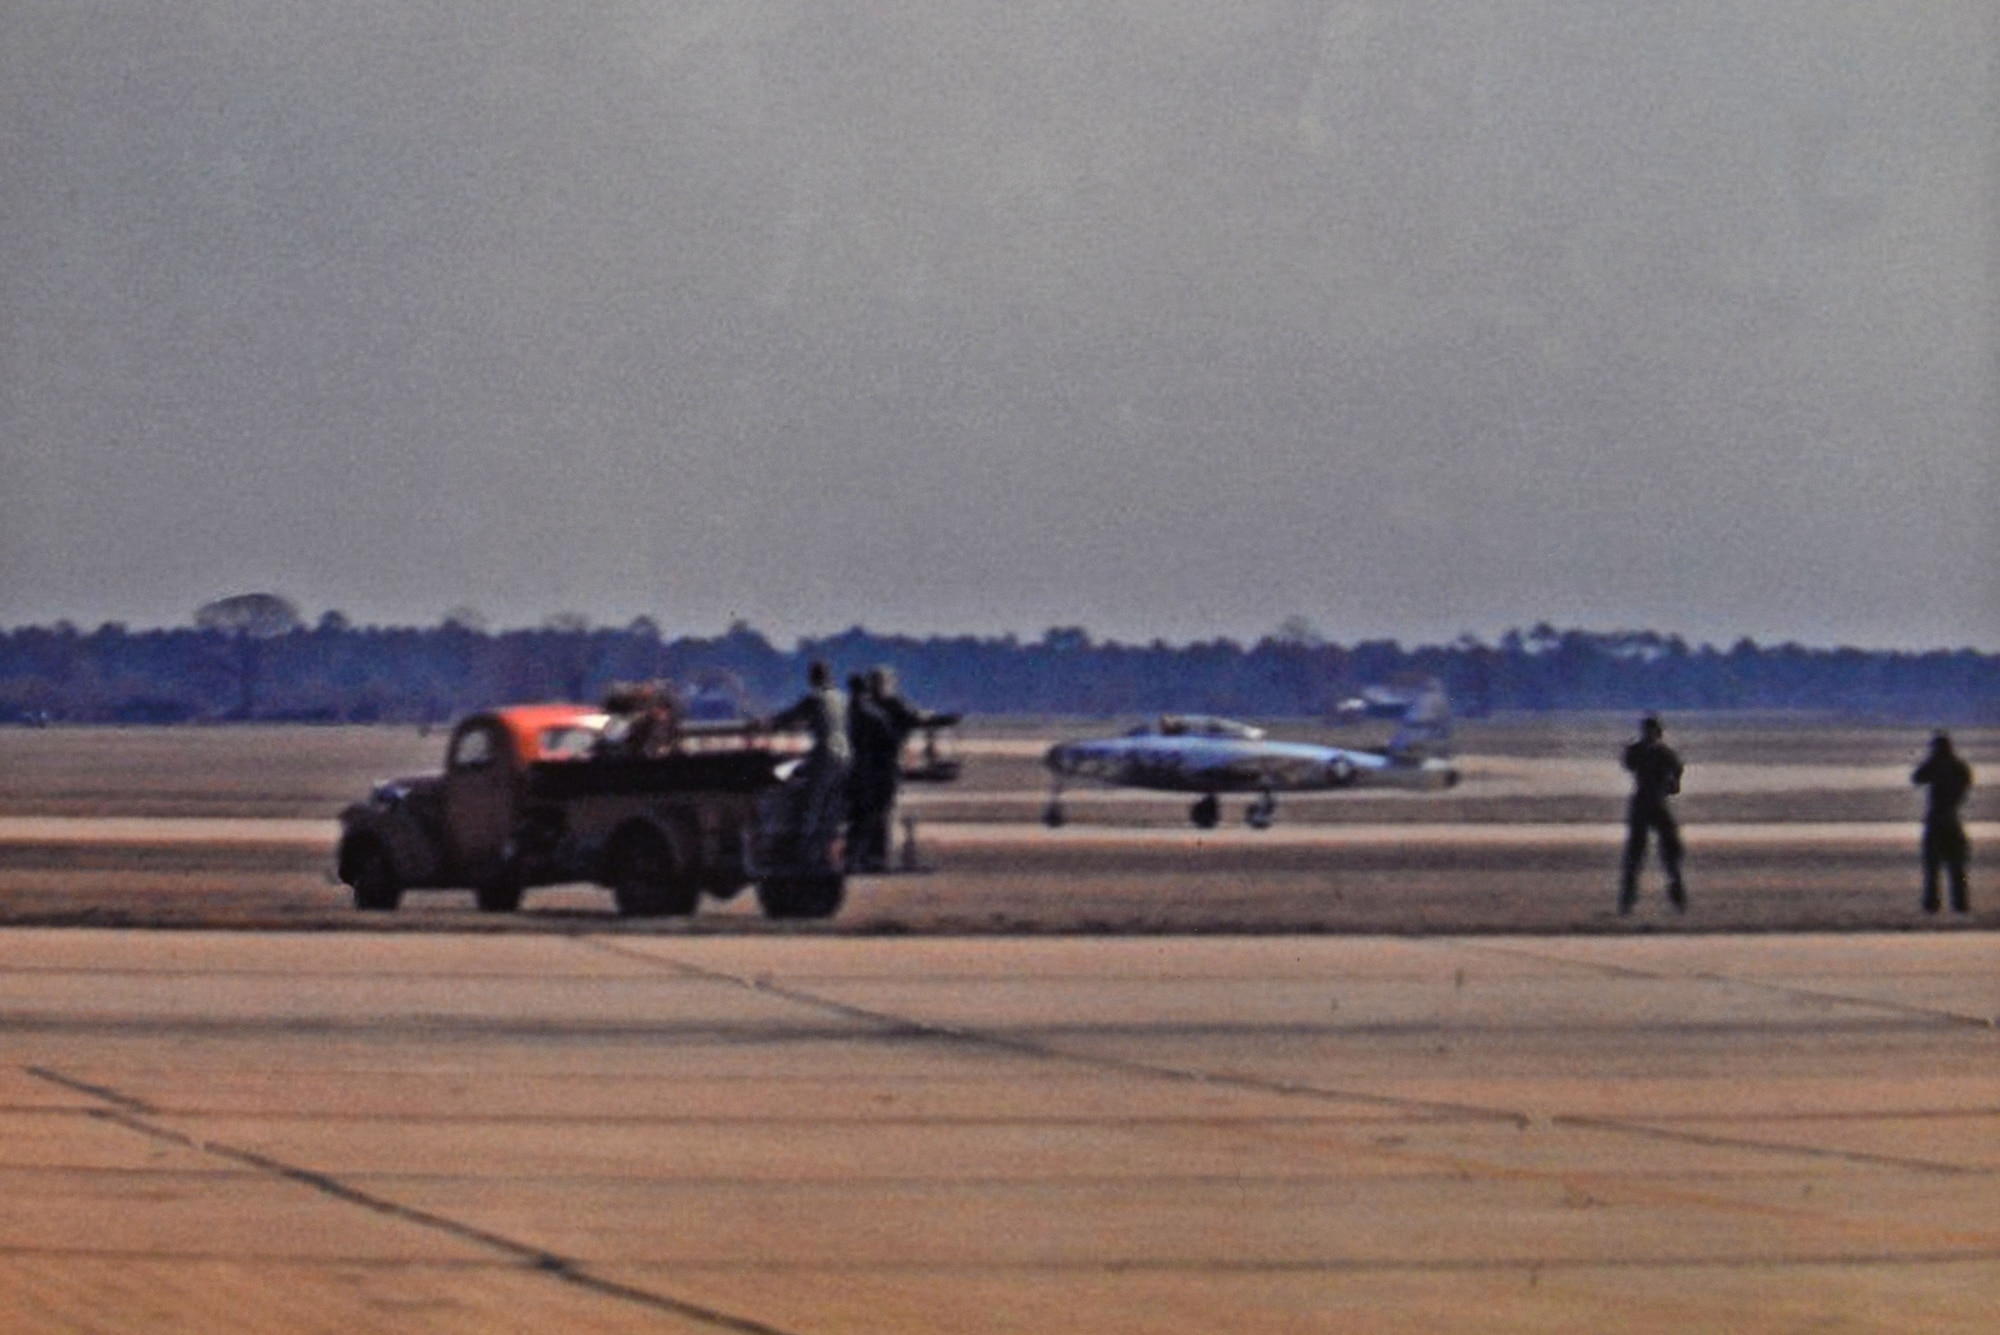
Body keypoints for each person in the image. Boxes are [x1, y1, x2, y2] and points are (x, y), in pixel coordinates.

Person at [767, 660, 850, 871]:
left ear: (813, 679)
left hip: (825, 756)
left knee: (813, 802)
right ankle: (832, 850)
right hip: (846, 757)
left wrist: (768, 723)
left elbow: (788, 718)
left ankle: (807, 852)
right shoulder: (842, 699)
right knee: (833, 807)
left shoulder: (815, 699)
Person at [1619, 715, 1686, 914]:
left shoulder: (1644, 751)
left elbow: (1675, 778)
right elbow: (1675, 779)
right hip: (1653, 804)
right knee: (1645, 854)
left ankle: (1629, 901)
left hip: (1647, 804)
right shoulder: (1661, 752)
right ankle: (1628, 901)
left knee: (1654, 853)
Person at [1912, 731, 1973, 914]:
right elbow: (1965, 784)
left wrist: (1931, 762)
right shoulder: (1959, 766)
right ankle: (1960, 904)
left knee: (1933, 866)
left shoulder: (1936, 765)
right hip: (1953, 819)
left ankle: (1932, 904)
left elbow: (1917, 777)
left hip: (1937, 820)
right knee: (1957, 867)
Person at [844, 674, 894, 871]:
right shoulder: (876, 715)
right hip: (873, 773)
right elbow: (889, 744)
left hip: (854, 772)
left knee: (857, 818)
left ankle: (855, 857)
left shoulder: (847, 715)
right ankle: (874, 858)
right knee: (874, 817)